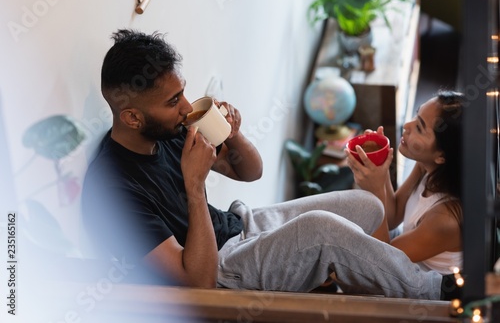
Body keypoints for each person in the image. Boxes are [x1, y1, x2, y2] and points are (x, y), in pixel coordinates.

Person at [81, 29, 454, 300]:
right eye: (173, 100)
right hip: (223, 265)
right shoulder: (113, 189)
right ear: (131, 117)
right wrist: (194, 188)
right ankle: (436, 292)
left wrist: (234, 135)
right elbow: (198, 282)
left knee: (368, 207)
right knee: (323, 231)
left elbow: (249, 172)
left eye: (182, 92)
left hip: (240, 225)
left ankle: (370, 283)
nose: (185, 107)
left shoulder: (168, 130)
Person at [345, 90, 464, 275]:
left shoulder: (446, 219)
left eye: (419, 127)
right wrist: (379, 164)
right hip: (395, 254)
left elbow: (381, 261)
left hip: (416, 287)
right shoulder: (427, 166)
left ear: (441, 156)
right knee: (345, 217)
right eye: (417, 116)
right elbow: (392, 218)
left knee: (334, 232)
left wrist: (376, 189)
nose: (407, 125)